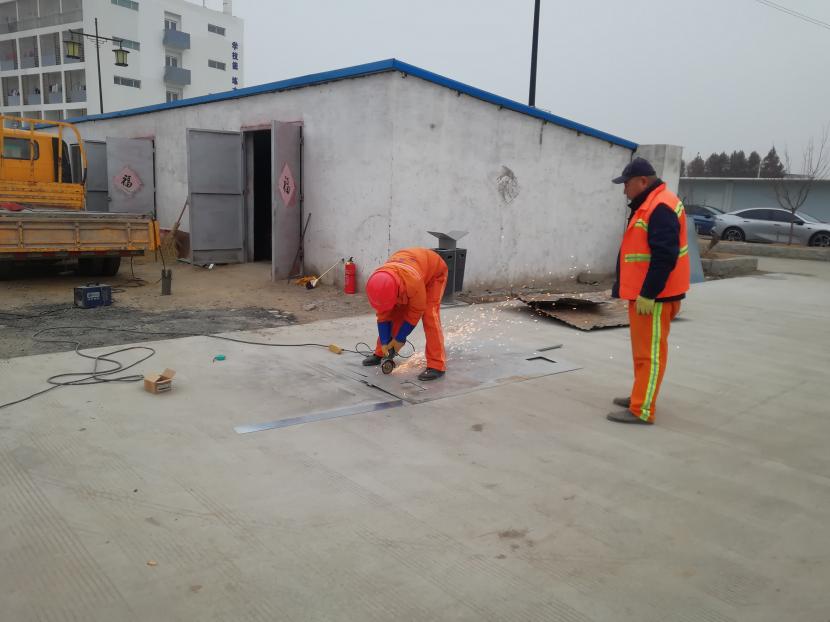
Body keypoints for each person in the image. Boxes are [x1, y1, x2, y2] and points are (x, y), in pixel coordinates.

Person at [607, 157, 690, 425]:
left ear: (642, 181)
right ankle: (639, 395)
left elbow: (665, 255)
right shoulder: (653, 202)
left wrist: (649, 293)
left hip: (655, 297)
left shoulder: (660, 206)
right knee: (643, 352)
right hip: (646, 295)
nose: (624, 190)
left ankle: (641, 410)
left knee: (650, 355)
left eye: (626, 184)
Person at [363, 247, 448, 381]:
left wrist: (400, 338)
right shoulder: (379, 281)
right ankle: (381, 353)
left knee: (429, 315)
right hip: (413, 267)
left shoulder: (413, 284)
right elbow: (383, 315)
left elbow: (415, 312)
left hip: (434, 273)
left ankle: (437, 365)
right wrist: (385, 341)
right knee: (394, 312)